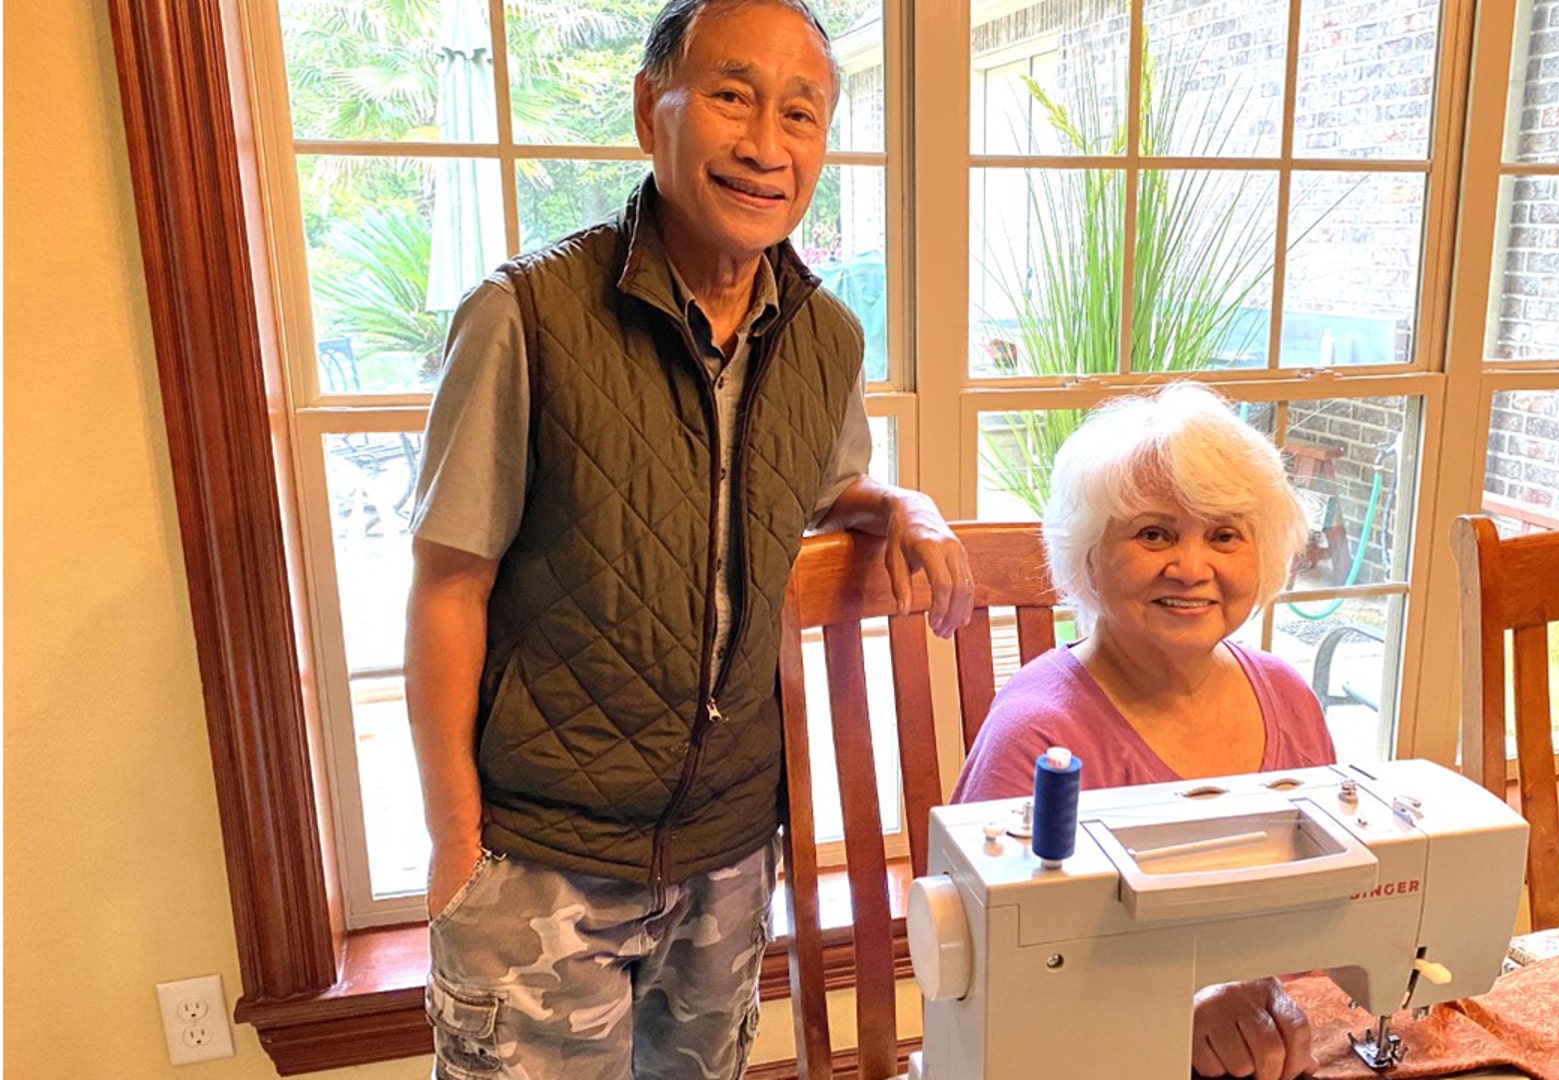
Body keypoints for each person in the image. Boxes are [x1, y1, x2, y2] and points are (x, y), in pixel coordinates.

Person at [404, 3, 973, 1078]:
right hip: (541, 857)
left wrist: (899, 507)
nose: (767, 144)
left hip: (724, 857)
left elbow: (822, 485)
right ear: (647, 109)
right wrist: (454, 849)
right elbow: (447, 587)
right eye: (731, 95)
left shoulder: (824, 334)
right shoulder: (524, 317)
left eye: (801, 113)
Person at [951, 383, 1334, 1080]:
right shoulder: (1039, 736)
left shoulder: (1290, 701)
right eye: (1154, 533)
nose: (1192, 568)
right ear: (1089, 556)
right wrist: (1174, 1012)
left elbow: (1324, 925)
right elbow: (988, 983)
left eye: (1224, 535)